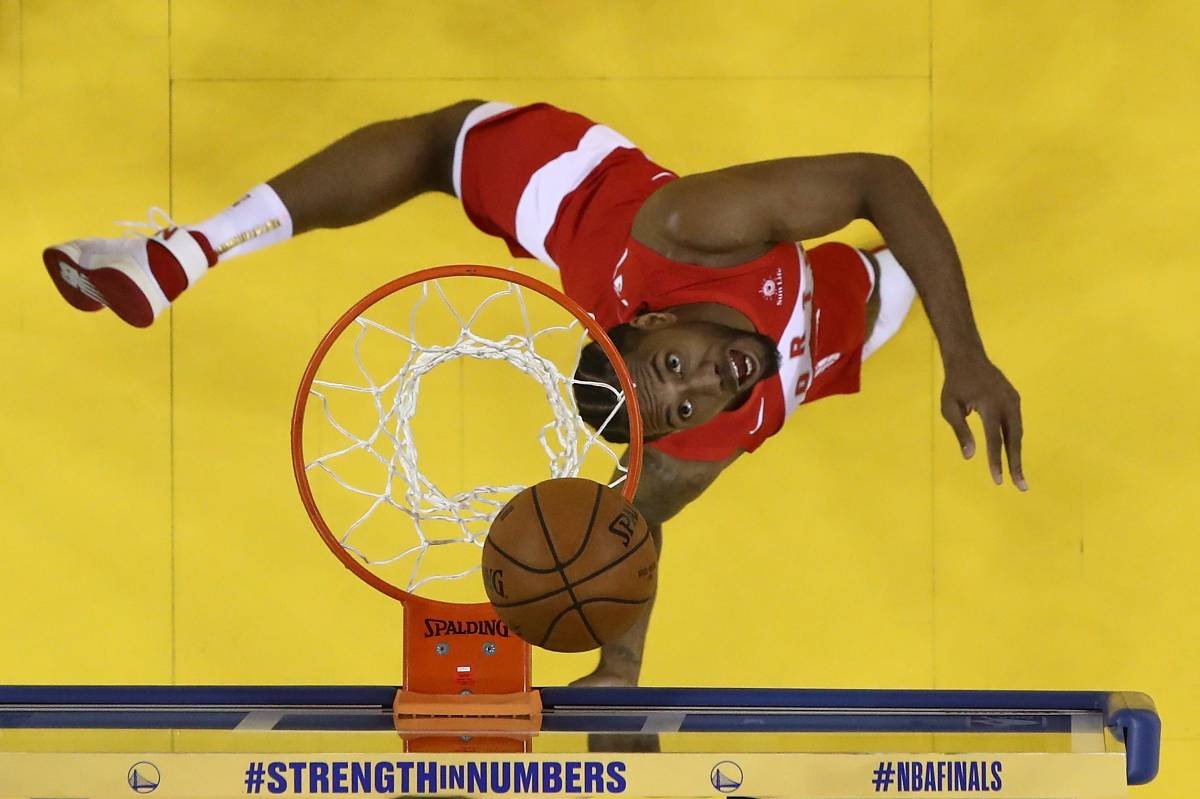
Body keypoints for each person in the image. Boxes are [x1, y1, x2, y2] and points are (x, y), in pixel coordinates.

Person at [43, 100, 1025, 688]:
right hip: (860, 307)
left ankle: (197, 246)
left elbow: (880, 175)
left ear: (645, 323)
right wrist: (623, 679)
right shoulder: (705, 439)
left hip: (599, 219)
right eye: (681, 401)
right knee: (893, 281)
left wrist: (967, 355)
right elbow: (631, 519)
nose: (697, 387)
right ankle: (193, 246)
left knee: (443, 143)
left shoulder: (691, 227)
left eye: (671, 367)